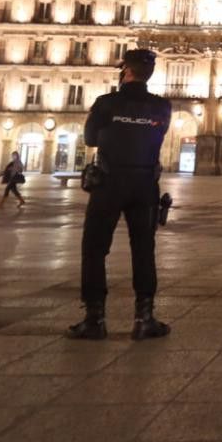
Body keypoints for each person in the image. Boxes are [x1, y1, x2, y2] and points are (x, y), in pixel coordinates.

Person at [67, 49, 173, 342]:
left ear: (125, 70)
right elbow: (159, 135)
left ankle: (95, 318)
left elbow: (89, 138)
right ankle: (144, 318)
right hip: (144, 185)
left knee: (95, 249)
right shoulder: (161, 106)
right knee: (144, 250)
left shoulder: (106, 103)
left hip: (109, 184)